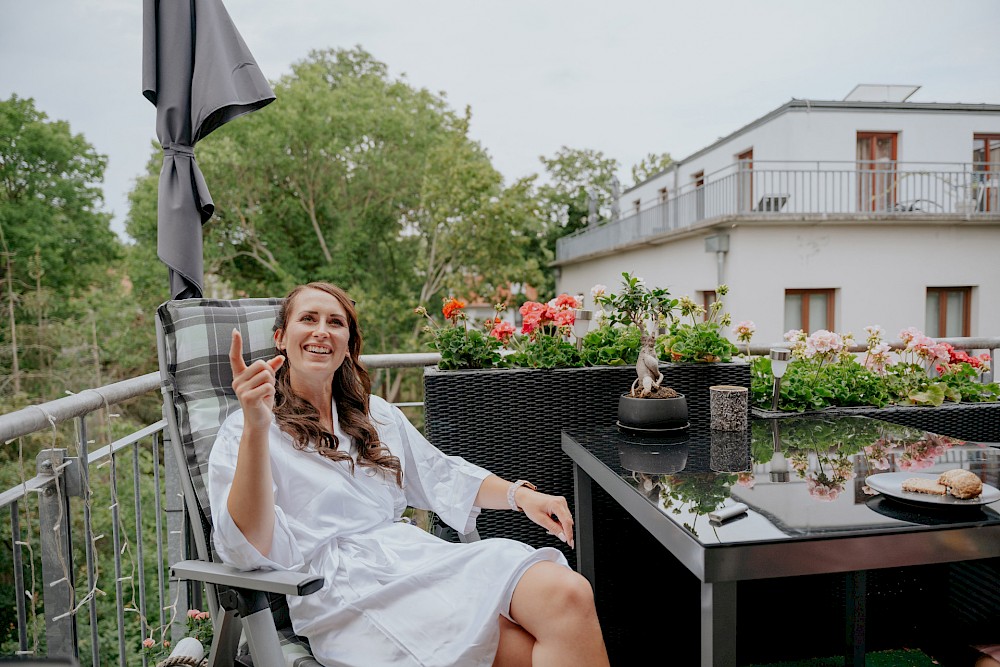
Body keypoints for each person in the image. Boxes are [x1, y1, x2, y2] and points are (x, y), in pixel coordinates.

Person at [207, 281, 610, 667]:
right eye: (308, 319)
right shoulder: (246, 430)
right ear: (281, 337)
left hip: (413, 557)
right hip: (345, 592)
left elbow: (442, 474)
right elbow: (244, 547)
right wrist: (257, 427)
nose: (321, 332)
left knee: (568, 593)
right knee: (522, 653)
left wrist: (521, 496)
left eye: (335, 323)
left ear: (348, 345)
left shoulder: (375, 414)